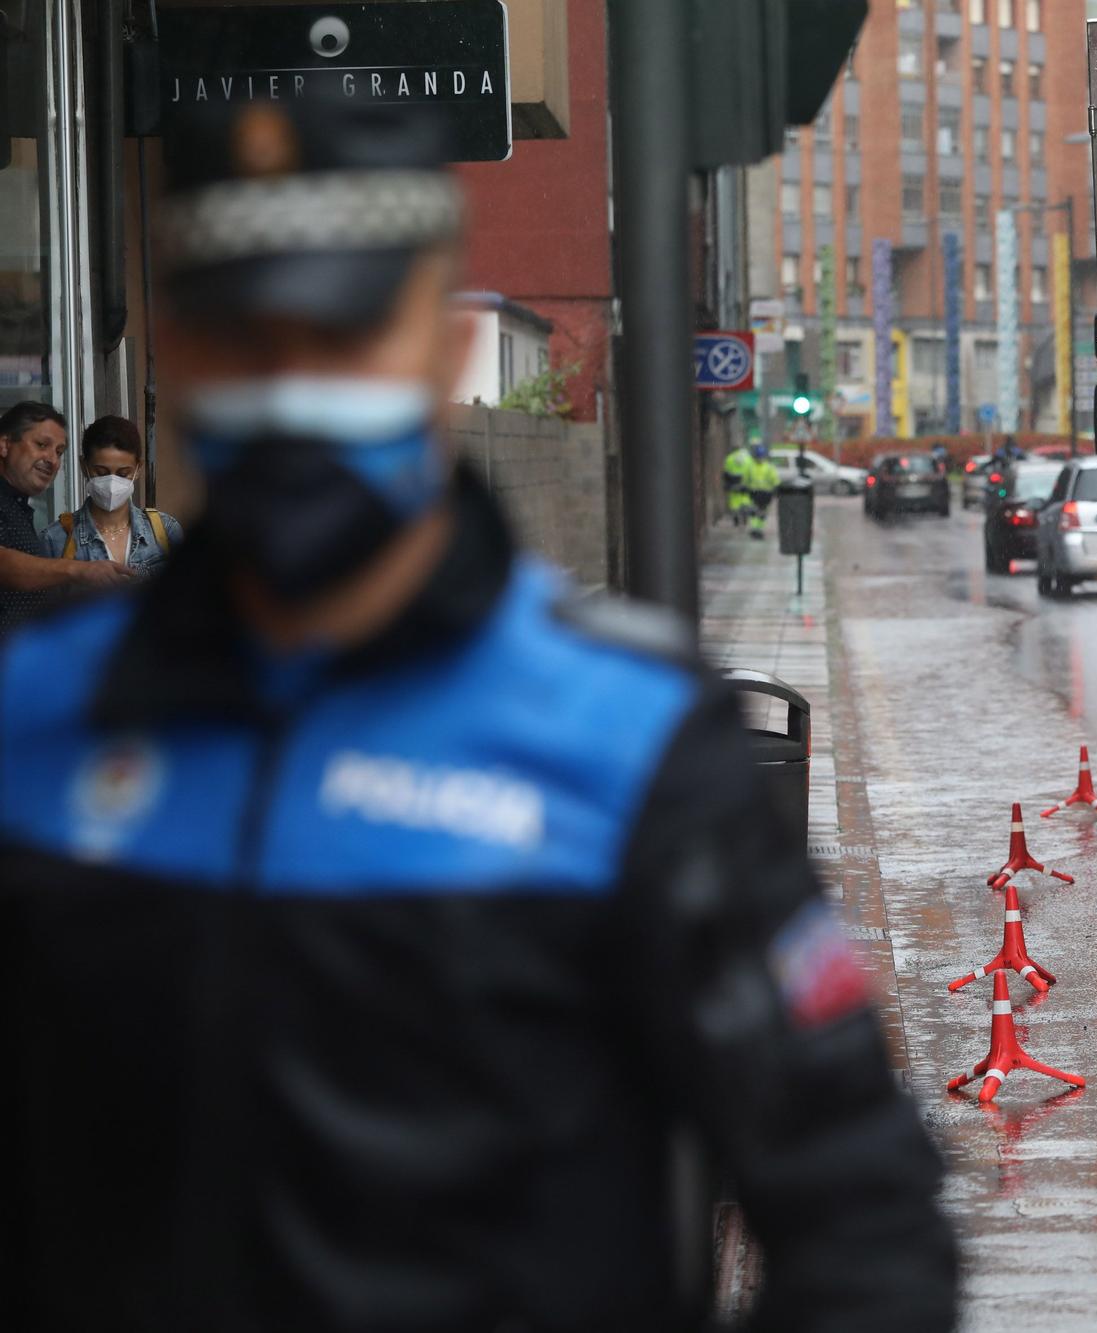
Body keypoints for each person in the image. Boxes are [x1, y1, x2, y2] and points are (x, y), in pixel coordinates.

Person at [0, 97, 955, 1333]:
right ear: (174, 354)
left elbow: (863, 1219)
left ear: (441, 347)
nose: (293, 379)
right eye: (243, 332)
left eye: (345, 329)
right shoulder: (38, 723)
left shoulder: (626, 739)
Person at [0, 402, 138, 636]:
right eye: (41, 445)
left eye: (59, 452)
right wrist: (79, 570)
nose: (52, 460)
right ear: (4, 445)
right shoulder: (55, 536)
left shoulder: (19, 508)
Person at [44, 415, 183, 575]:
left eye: (123, 474)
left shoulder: (166, 532)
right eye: (101, 472)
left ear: (138, 469)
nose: (111, 482)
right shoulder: (55, 539)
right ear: (84, 466)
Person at [746, 442, 781, 540]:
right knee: (757, 512)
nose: (759, 458)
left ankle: (757, 529)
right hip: (759, 493)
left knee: (759, 512)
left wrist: (776, 488)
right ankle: (756, 529)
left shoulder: (755, 466)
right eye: (758, 456)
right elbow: (775, 480)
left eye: (760, 456)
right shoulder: (767, 467)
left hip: (762, 493)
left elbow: (775, 480)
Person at [723, 438, 754, 528]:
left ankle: (736, 519)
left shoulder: (729, 458)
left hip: (733, 484)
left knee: (734, 502)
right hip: (745, 484)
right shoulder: (748, 458)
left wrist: (727, 483)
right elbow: (751, 472)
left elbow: (726, 472)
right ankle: (745, 518)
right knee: (745, 500)